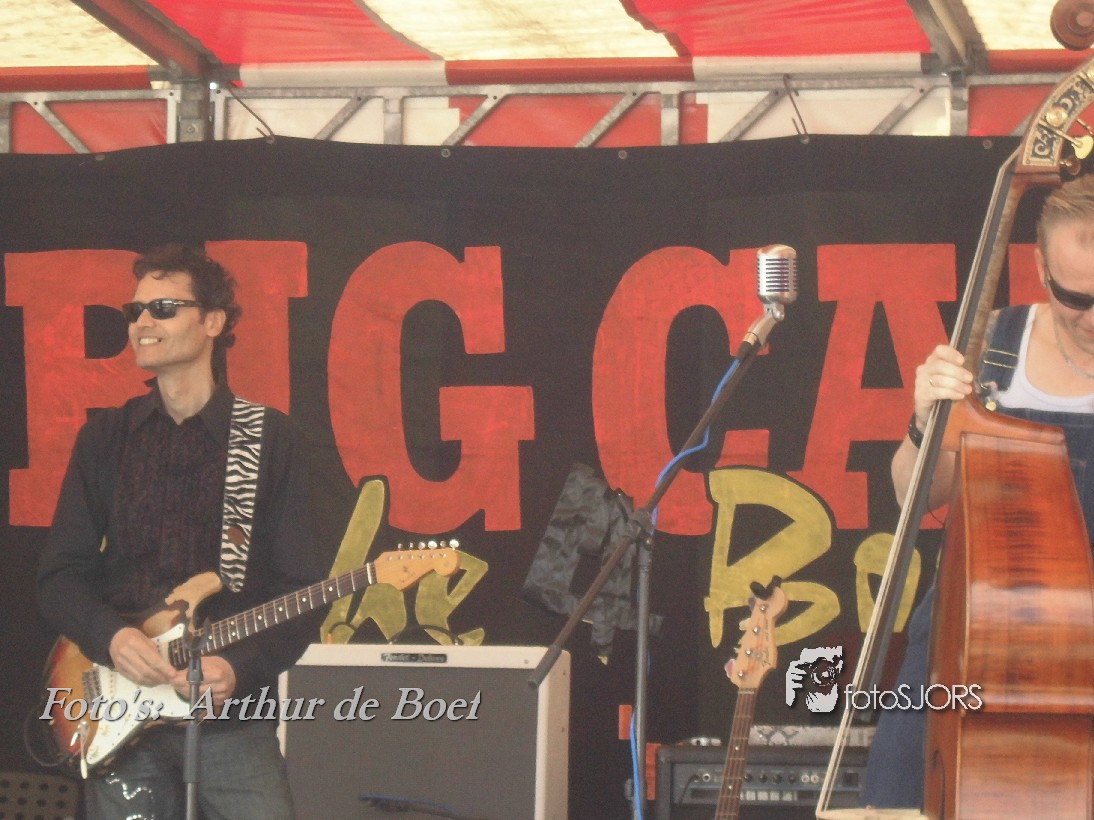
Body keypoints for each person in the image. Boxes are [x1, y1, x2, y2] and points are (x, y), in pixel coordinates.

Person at [37, 244, 340, 819]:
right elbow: (60, 575)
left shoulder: (270, 440)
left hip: (231, 720)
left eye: (163, 308)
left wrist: (239, 668)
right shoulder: (106, 438)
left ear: (213, 322)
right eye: (135, 311)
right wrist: (111, 637)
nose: (142, 322)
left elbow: (302, 589)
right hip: (118, 709)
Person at [861, 174, 1094, 808]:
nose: (1091, 317)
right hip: (974, 635)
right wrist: (923, 423)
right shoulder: (991, 347)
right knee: (900, 796)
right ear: (1040, 268)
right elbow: (917, 496)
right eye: (1075, 297)